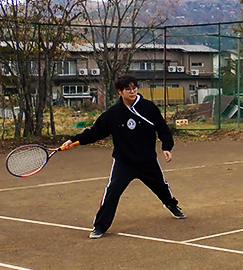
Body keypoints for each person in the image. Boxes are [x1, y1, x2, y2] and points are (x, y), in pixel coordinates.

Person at [61, 75, 184, 238]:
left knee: (161, 187)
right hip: (124, 162)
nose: (132, 91)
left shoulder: (148, 108)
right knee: (112, 191)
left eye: (134, 88)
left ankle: (171, 205)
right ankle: (100, 226)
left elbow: (162, 128)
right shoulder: (113, 113)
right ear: (120, 92)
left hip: (147, 161)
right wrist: (75, 140)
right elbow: (95, 132)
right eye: (128, 89)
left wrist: (166, 146)